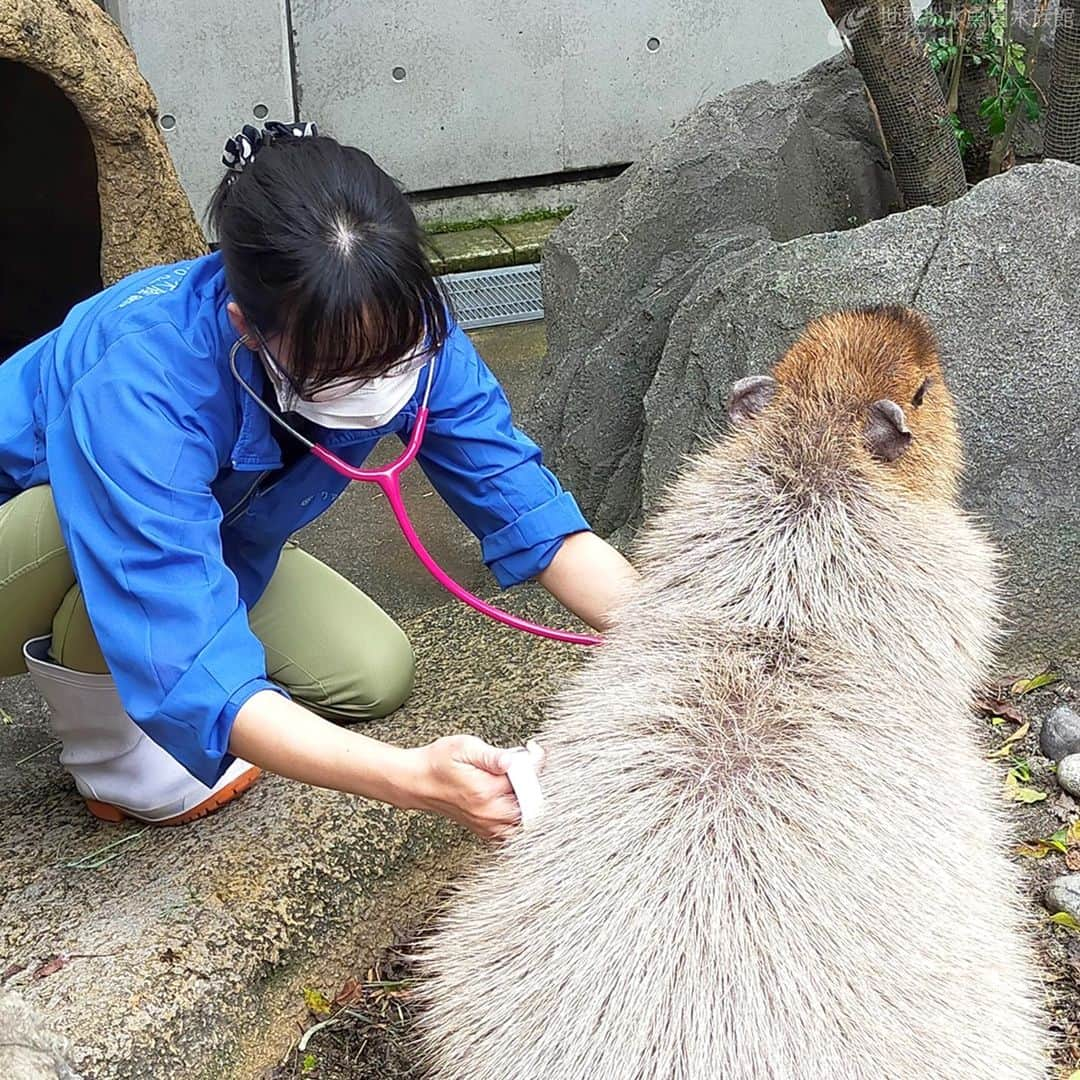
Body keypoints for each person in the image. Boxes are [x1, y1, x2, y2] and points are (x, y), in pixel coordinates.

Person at [0, 122, 637, 839]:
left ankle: (124, 660)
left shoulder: (407, 323)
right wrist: (413, 781)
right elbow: (176, 629)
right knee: (98, 552)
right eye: (342, 370)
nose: (385, 382)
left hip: (202, 534)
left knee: (373, 673)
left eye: (399, 355)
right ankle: (112, 748)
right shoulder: (142, 380)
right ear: (247, 326)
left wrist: (682, 642)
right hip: (33, 535)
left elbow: (527, 507)